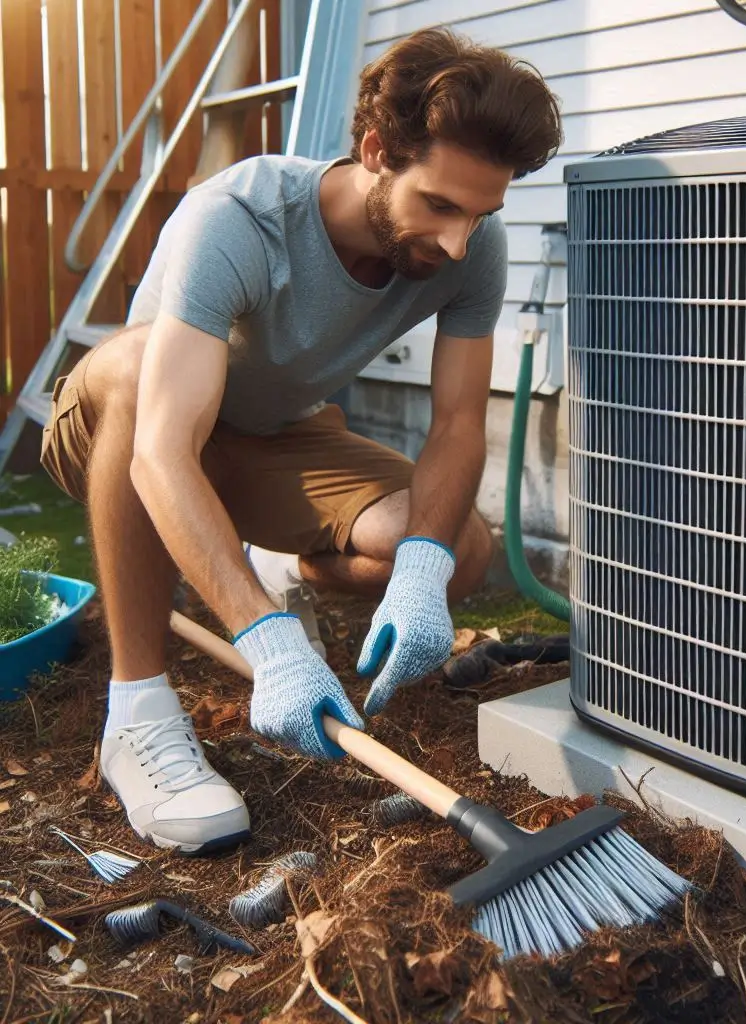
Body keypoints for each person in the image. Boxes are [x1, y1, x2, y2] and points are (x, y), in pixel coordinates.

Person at [38, 27, 563, 855]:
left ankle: (276, 570)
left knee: (459, 545)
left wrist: (423, 572)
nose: (460, 240)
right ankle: (135, 713)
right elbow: (162, 452)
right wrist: (268, 645)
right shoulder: (243, 218)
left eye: (483, 213)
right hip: (130, 432)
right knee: (138, 375)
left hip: (275, 435)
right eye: (441, 206)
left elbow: (461, 423)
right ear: (377, 151)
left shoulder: (472, 251)